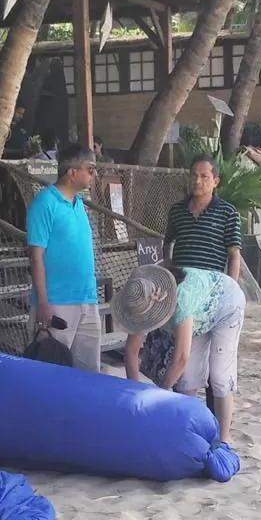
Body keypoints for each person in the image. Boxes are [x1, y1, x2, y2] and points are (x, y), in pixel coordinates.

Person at [117, 264, 245, 445]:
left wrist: (159, 396)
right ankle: (186, 432)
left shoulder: (181, 300)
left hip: (227, 306)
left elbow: (181, 358)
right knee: (186, 382)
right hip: (199, 315)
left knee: (220, 378)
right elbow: (131, 351)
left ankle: (223, 440)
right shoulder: (140, 300)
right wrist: (135, 396)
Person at [26, 143, 101, 371]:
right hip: (57, 301)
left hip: (87, 300)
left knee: (90, 374)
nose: (94, 174)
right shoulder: (44, 203)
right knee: (51, 372)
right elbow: (36, 257)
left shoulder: (79, 204)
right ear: (72, 172)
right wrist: (43, 301)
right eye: (90, 168)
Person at [165, 156, 242, 280]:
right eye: (194, 175)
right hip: (180, 285)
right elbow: (168, 241)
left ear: (215, 182)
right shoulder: (177, 210)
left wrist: (230, 287)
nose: (197, 181)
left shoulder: (228, 213)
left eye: (204, 176)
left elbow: (234, 254)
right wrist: (168, 266)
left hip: (210, 287)